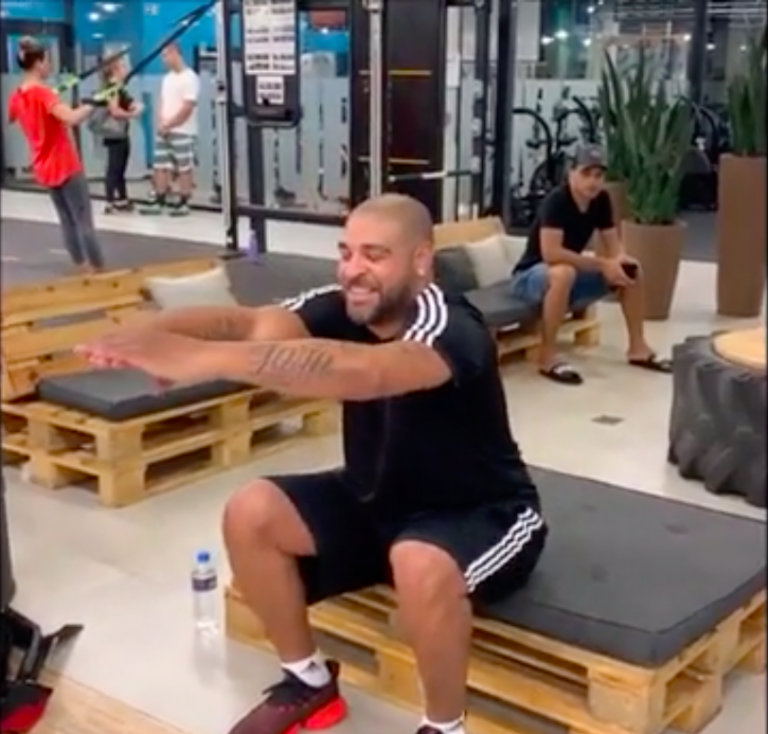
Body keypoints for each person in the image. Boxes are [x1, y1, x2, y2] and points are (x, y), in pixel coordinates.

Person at [78, 194, 548, 734]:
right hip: (378, 503)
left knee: (418, 560)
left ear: (421, 259)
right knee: (251, 511)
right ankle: (308, 680)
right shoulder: (345, 305)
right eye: (346, 253)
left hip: (480, 513)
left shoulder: (451, 326)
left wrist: (199, 359)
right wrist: (156, 332)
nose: (353, 270)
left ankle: (444, 727)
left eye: (375, 255)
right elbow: (250, 324)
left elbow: (366, 372)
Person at [510, 144, 672, 385]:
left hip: (568, 276)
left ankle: (637, 347)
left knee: (632, 269)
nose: (593, 182)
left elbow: (614, 246)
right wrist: (602, 264)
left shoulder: (601, 200)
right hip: (529, 278)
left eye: (598, 175)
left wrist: (619, 262)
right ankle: (547, 355)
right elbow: (551, 253)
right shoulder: (556, 201)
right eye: (586, 174)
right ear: (571, 173)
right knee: (563, 273)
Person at [7, 36, 105, 274]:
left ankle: (81, 265)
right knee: (83, 220)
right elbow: (71, 118)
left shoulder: (17, 96)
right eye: (48, 61)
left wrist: (45, 102)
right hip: (65, 164)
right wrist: (94, 103)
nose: (50, 66)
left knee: (67, 220)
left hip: (44, 167)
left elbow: (12, 117)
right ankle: (99, 268)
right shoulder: (43, 94)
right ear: (38, 63)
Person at [140, 42, 200, 217]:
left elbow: (187, 107)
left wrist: (171, 124)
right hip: (165, 129)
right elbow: (163, 102)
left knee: (184, 166)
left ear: (175, 54)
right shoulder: (167, 79)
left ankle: (184, 201)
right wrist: (161, 123)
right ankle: (159, 198)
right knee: (160, 165)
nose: (164, 60)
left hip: (183, 130)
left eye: (166, 55)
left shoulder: (190, 78)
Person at [99, 56, 143, 213]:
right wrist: (132, 114)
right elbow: (115, 111)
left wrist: (135, 107)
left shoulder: (120, 87)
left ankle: (122, 199)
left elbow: (128, 102)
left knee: (120, 167)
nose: (126, 69)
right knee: (114, 167)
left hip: (121, 132)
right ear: (115, 70)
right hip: (114, 133)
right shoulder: (112, 88)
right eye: (123, 66)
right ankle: (110, 201)